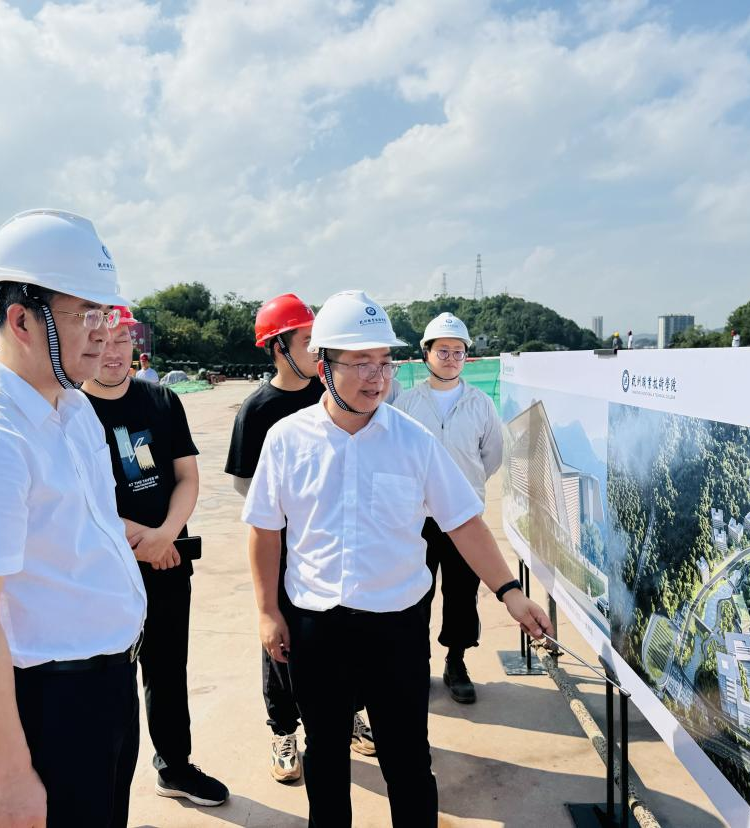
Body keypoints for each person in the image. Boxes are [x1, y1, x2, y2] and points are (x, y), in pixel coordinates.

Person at [242, 290, 552, 827]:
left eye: (384, 362)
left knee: (407, 759)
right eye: (361, 363)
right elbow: (265, 530)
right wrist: (268, 612)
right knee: (326, 756)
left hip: (396, 628)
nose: (377, 378)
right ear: (324, 365)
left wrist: (510, 592)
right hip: (315, 627)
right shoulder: (287, 440)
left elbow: (463, 522)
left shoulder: (413, 440)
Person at [0, 209, 146, 828]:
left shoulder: (73, 410)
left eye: (106, 315)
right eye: (85, 315)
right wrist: (12, 776)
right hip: (50, 706)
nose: (102, 333)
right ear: (19, 320)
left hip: (106, 687)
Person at [225, 294, 376, 784]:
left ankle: (350, 714)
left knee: (347, 634)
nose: (316, 350)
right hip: (285, 549)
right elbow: (246, 486)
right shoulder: (258, 410)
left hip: (334, 546)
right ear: (278, 347)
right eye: (307, 340)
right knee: (280, 641)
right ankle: (283, 730)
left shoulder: (330, 392)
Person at [82, 306, 229, 807]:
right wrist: (145, 542)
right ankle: (104, 787)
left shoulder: (162, 400)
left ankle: (175, 766)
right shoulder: (72, 412)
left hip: (168, 562)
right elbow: (81, 499)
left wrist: (165, 536)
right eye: (102, 341)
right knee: (108, 679)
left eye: (122, 340)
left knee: (167, 669)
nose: (113, 352)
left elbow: (186, 476)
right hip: (104, 570)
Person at [395, 312, 502, 705]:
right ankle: (416, 663)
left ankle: (456, 662)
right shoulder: (407, 403)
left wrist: (462, 492)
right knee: (414, 594)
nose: (452, 358)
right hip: (417, 518)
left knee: (461, 593)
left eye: (459, 352)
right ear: (426, 353)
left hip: (463, 518)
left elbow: (491, 456)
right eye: (443, 351)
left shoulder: (481, 404)